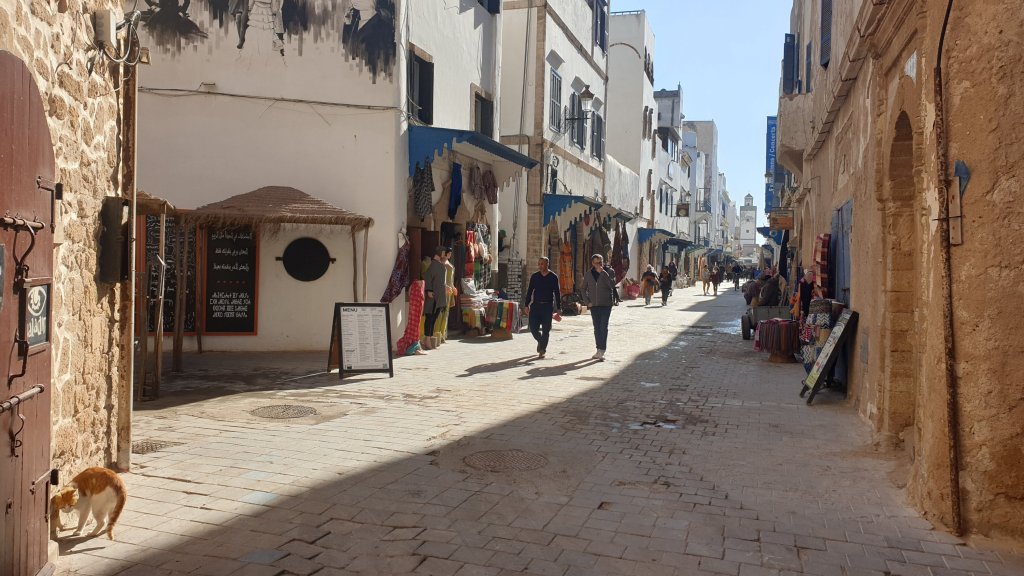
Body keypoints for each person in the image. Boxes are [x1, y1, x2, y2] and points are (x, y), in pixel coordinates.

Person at [522, 257, 560, 359]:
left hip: (547, 307)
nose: (540, 266)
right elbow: (530, 291)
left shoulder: (553, 277)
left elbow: (557, 293)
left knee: (546, 330)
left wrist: (558, 308)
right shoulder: (535, 276)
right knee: (533, 328)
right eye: (539, 264)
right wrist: (526, 305)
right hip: (535, 306)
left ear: (547, 264)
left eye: (542, 264)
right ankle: (540, 340)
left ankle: (542, 349)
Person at [582, 254, 616, 360]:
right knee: (597, 328)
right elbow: (583, 289)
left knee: (603, 327)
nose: (599, 264)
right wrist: (587, 302)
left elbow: (611, 285)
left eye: (600, 262)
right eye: (596, 262)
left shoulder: (609, 271)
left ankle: (602, 350)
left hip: (606, 305)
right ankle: (598, 349)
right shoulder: (588, 274)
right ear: (592, 263)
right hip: (594, 305)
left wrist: (603, 273)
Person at [422, 246, 448, 350]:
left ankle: (429, 337)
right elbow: (428, 276)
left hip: (439, 295)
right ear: (439, 253)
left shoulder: (440, 264)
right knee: (430, 317)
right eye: (443, 252)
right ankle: (427, 339)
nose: (444, 254)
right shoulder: (433, 265)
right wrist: (429, 290)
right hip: (433, 296)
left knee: (434, 317)